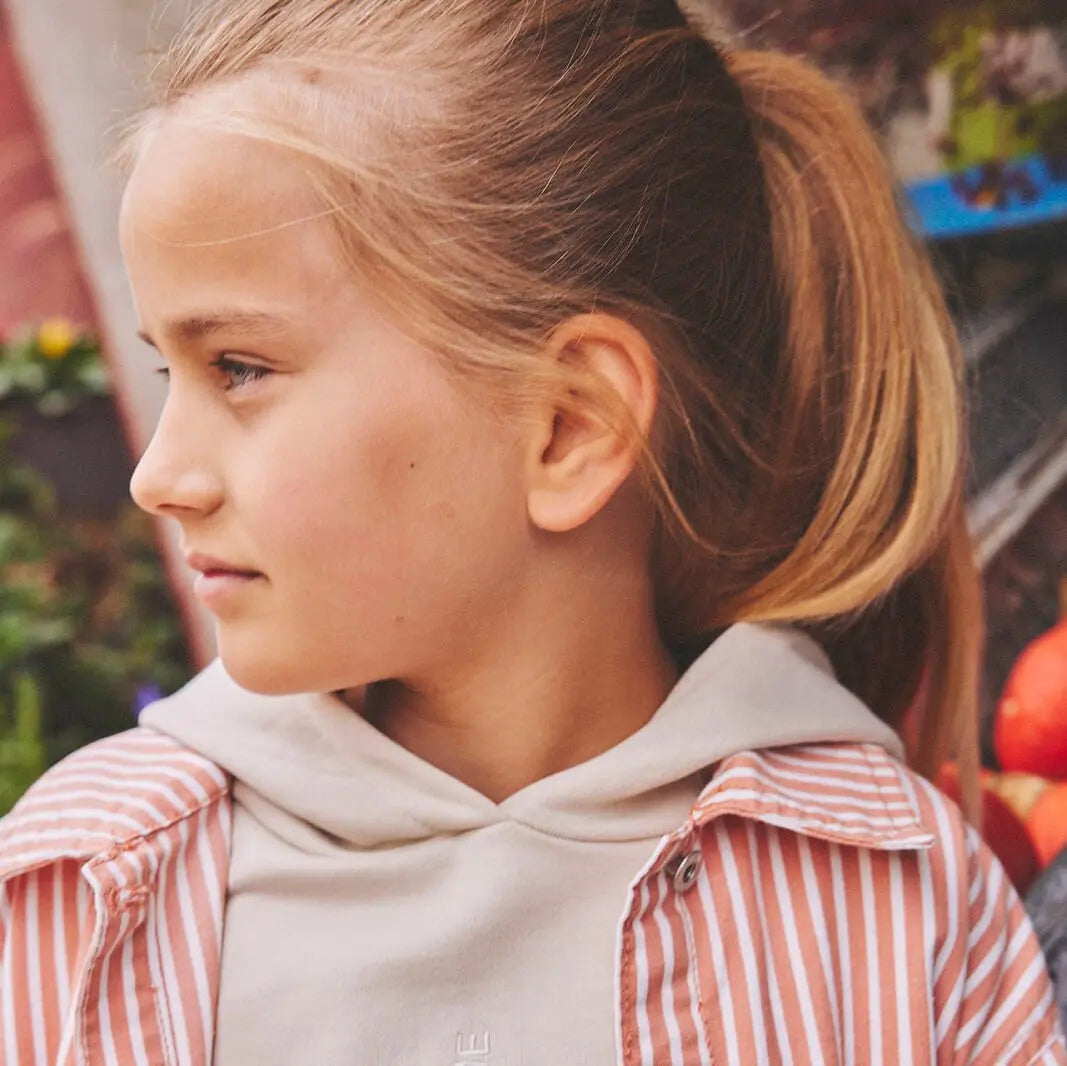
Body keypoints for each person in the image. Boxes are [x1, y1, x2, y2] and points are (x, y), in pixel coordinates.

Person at [1, 0, 1064, 1063]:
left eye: (237, 367)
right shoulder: (83, 891)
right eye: (166, 370)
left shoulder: (901, 904)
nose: (156, 478)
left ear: (566, 428)